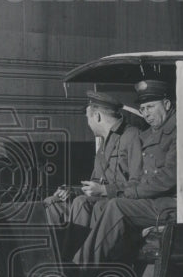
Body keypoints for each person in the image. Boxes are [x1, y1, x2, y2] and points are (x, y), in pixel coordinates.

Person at [73, 78, 176, 268]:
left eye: (151, 107)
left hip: (170, 204)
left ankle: (82, 269)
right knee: (104, 206)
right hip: (151, 201)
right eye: (143, 109)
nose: (146, 114)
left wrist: (126, 193)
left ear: (167, 104)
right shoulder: (148, 135)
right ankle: (107, 271)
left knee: (116, 207)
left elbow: (168, 178)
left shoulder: (178, 133)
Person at [43, 90, 142, 259]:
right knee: (52, 204)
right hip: (99, 201)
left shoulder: (132, 136)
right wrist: (72, 190)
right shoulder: (104, 142)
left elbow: (138, 184)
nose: (88, 124)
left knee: (82, 203)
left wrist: (104, 190)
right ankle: (54, 260)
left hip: (118, 204)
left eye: (88, 118)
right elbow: (95, 183)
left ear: (97, 117)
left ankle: (72, 265)